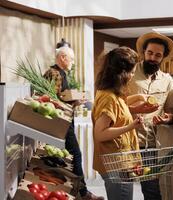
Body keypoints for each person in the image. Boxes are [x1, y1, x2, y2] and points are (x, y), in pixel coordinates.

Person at [44, 41, 104, 200]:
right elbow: (52, 101)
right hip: (60, 123)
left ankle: (76, 192)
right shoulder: (54, 74)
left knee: (69, 157)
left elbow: (59, 99)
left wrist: (74, 102)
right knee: (75, 155)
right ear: (62, 57)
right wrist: (74, 103)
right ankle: (83, 193)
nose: (72, 62)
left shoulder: (60, 73)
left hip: (64, 122)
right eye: (71, 58)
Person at [127, 32, 173, 200]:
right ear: (143, 52)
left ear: (162, 58)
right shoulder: (129, 73)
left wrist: (167, 118)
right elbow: (115, 105)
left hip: (150, 143)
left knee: (152, 191)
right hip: (126, 141)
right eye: (150, 53)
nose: (153, 58)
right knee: (123, 190)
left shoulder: (167, 80)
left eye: (158, 55)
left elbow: (170, 109)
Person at [92, 47, 146, 200]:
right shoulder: (109, 98)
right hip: (116, 165)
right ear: (122, 73)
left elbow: (118, 109)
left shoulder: (109, 92)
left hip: (117, 163)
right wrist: (131, 126)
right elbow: (100, 133)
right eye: (132, 72)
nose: (133, 76)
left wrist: (138, 97)